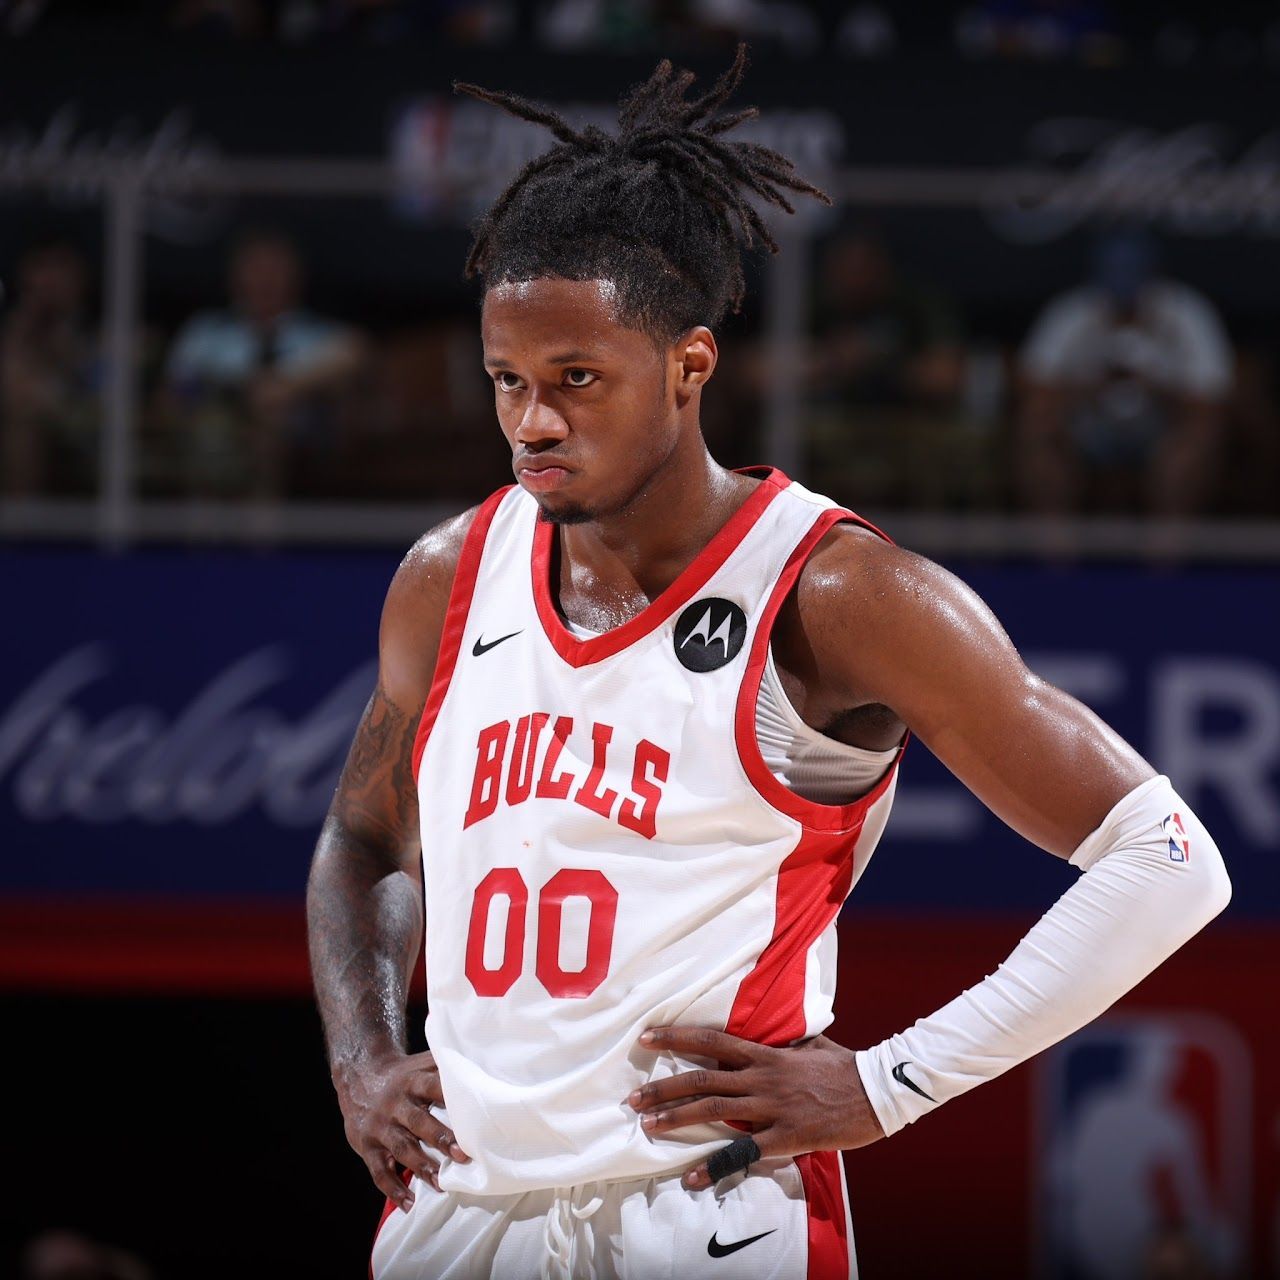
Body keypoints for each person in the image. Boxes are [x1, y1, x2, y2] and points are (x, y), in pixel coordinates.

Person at [306, 49, 1231, 1280]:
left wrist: (888, 1083)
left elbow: (1166, 860)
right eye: (507, 381)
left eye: (577, 380)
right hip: (458, 1204)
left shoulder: (833, 592)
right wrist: (361, 1059)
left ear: (689, 366)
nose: (533, 421)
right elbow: (364, 837)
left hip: (703, 1207)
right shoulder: (447, 577)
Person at [1016, 229, 1233, 520]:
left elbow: (1212, 400)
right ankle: (1053, 543)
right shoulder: (1071, 311)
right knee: (1037, 426)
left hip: (1159, 430)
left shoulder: (1187, 311)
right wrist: (1093, 386)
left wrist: (1154, 387)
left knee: (1199, 436)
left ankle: (1169, 544)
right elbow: (1032, 386)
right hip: (1088, 429)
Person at [163, 228, 366, 497]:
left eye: (276, 269)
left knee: (273, 418)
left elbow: (356, 353)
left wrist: (283, 388)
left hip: (299, 450)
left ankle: (267, 515)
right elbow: (173, 393)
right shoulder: (206, 332)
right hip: (216, 440)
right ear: (236, 276)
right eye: (256, 268)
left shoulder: (317, 335)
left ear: (296, 276)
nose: (266, 279)